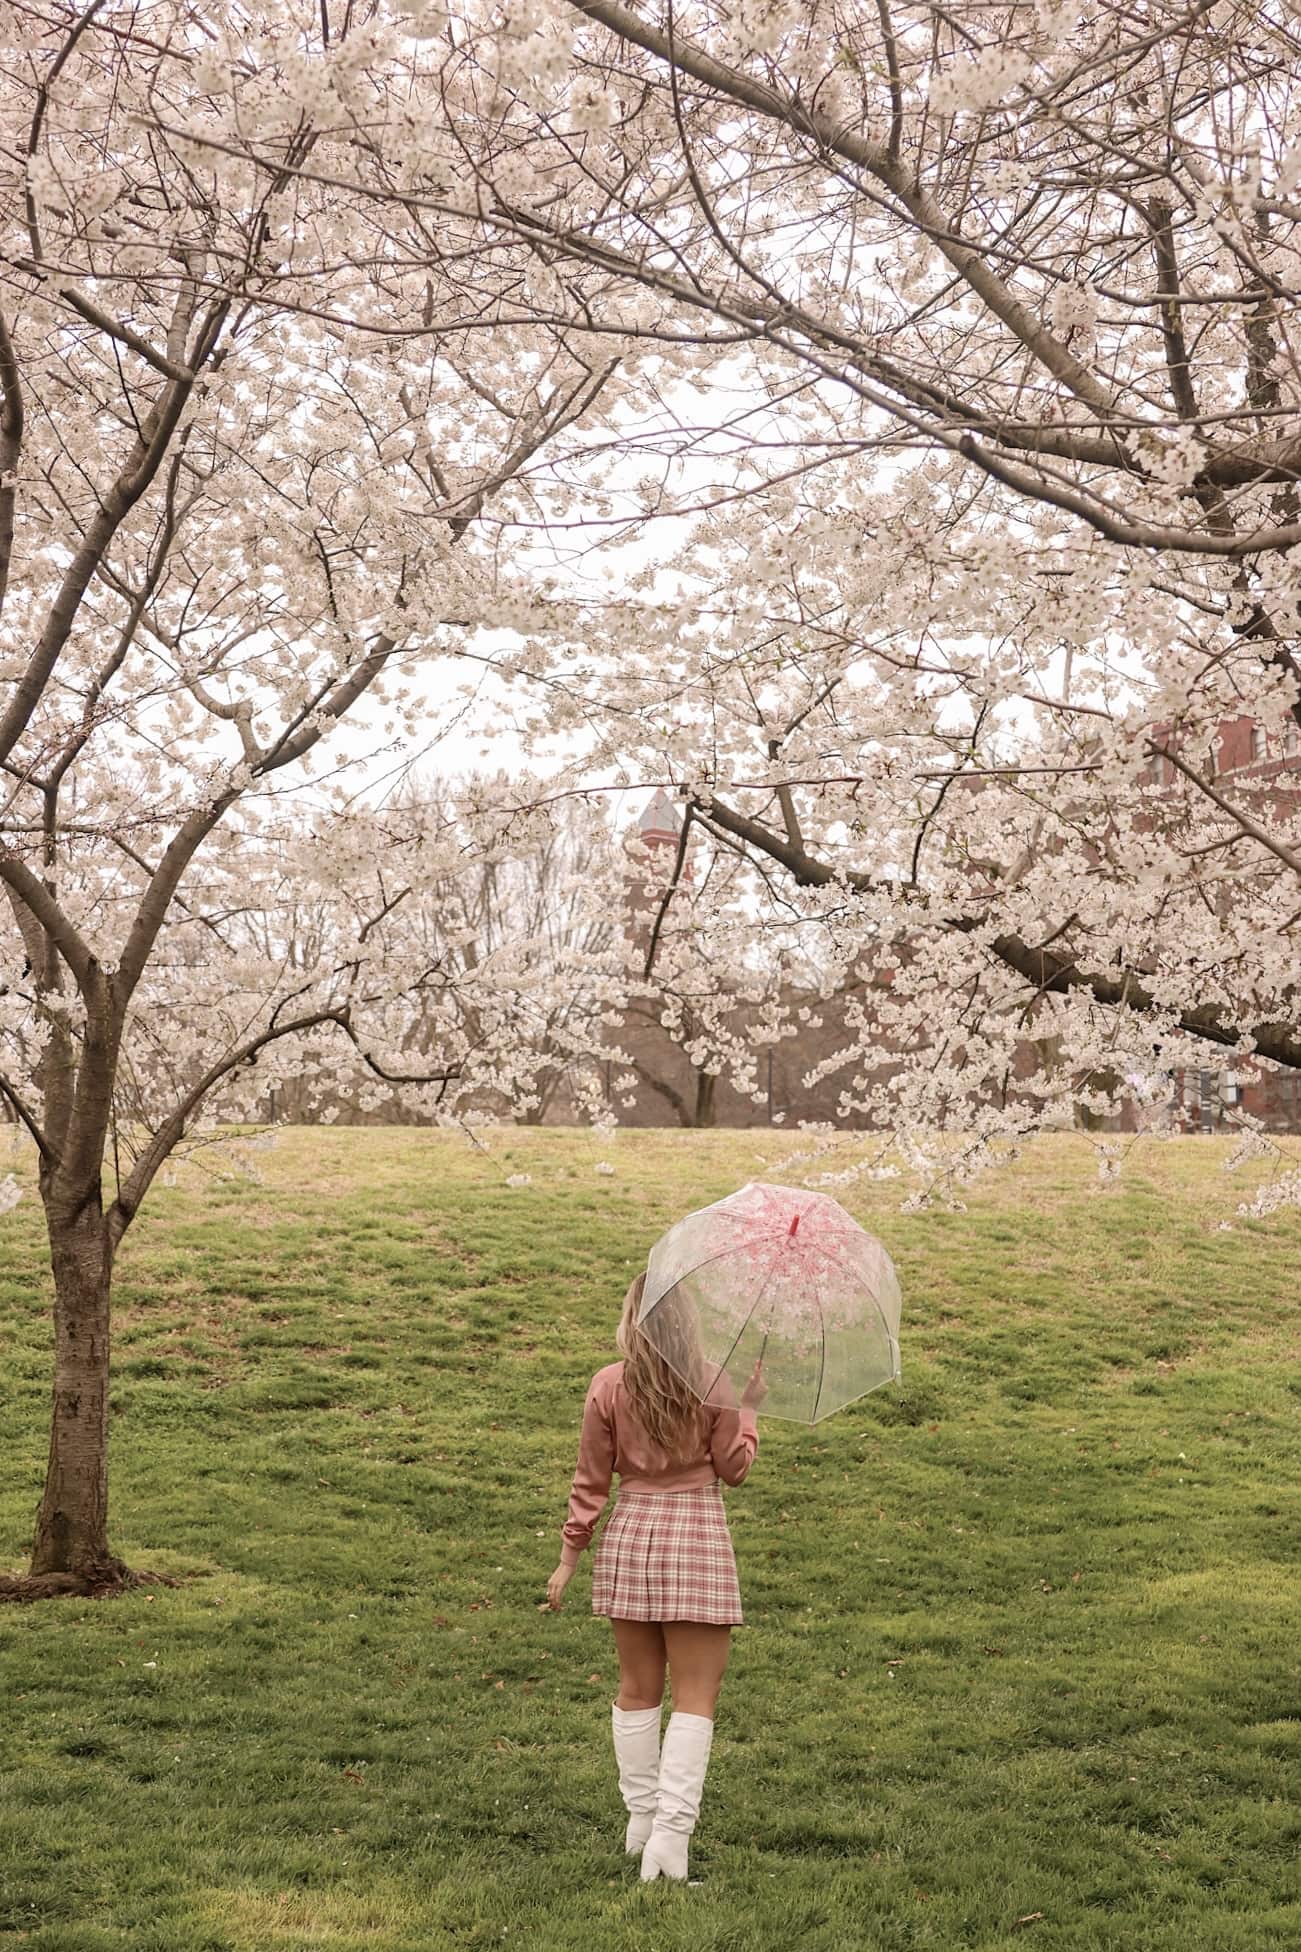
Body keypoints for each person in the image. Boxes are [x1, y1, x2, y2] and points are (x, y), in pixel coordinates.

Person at [545, 1270, 767, 1883]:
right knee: (696, 1697)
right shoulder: (713, 1383)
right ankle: (668, 1842)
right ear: (686, 1321)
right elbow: (734, 1469)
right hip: (694, 1535)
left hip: (632, 1535)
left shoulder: (608, 1385)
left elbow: (590, 1480)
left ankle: (641, 1823)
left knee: (636, 1687)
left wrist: (569, 1558)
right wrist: (748, 1410)